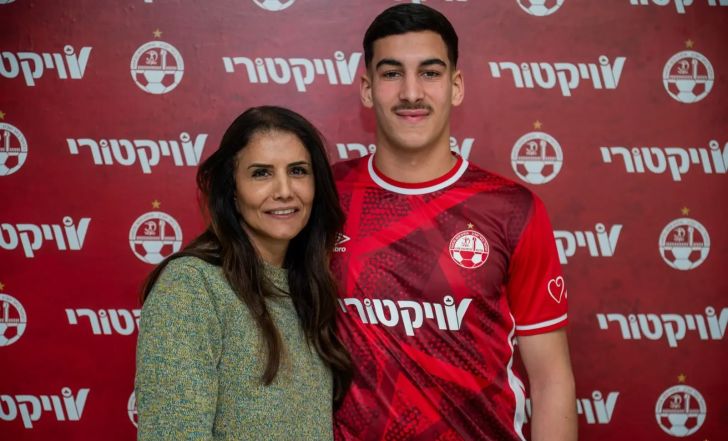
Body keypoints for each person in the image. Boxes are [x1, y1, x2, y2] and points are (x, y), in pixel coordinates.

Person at [331, 4, 577, 441]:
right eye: (391, 74)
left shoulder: (511, 209)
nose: (411, 92)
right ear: (367, 89)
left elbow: (550, 379)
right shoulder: (325, 198)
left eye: (430, 73)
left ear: (456, 86)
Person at [135, 106, 351, 440]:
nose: (284, 190)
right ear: (233, 192)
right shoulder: (192, 287)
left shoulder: (307, 289)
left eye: (297, 171)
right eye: (261, 173)